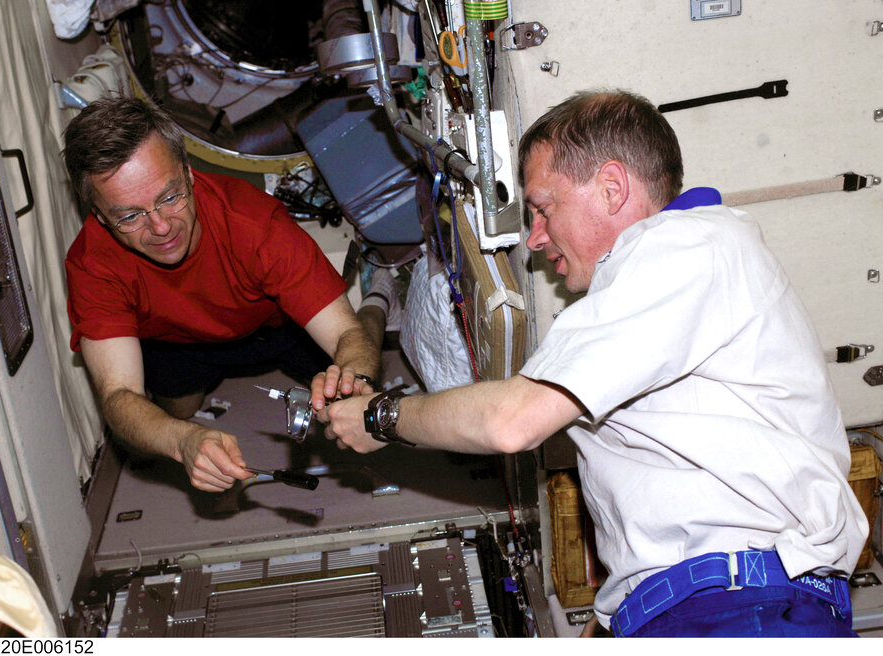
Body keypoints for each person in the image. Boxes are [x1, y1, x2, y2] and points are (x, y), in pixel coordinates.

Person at [318, 90, 868, 637]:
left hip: (741, 608)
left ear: (611, 188)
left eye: (542, 208)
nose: (534, 239)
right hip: (703, 608)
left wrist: (381, 419)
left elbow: (511, 422)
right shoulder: (661, 287)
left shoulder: (687, 247)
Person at [63, 96, 380, 493]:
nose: (160, 227)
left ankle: (378, 298)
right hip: (177, 342)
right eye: (129, 215)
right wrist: (183, 440)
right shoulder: (92, 262)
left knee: (353, 382)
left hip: (277, 326)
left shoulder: (254, 223)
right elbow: (118, 394)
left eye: (169, 196)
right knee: (160, 429)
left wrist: (355, 378)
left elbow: (345, 336)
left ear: (189, 174)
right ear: (99, 217)